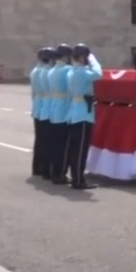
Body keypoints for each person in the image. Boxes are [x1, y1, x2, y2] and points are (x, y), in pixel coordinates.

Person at [66, 44, 102, 190]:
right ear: (82, 57)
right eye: (86, 57)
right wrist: (93, 60)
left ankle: (77, 177)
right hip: (82, 114)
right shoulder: (81, 72)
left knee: (76, 148)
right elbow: (98, 74)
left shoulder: (72, 72)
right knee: (81, 149)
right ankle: (78, 180)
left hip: (76, 111)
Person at [46, 44, 74, 184]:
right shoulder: (67, 70)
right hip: (65, 110)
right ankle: (60, 173)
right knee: (65, 146)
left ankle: (54, 172)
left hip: (54, 108)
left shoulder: (52, 71)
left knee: (55, 144)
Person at [30, 47, 54, 178]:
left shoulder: (35, 71)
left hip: (38, 106)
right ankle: (46, 168)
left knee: (40, 139)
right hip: (48, 106)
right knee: (48, 140)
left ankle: (37, 168)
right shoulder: (48, 71)